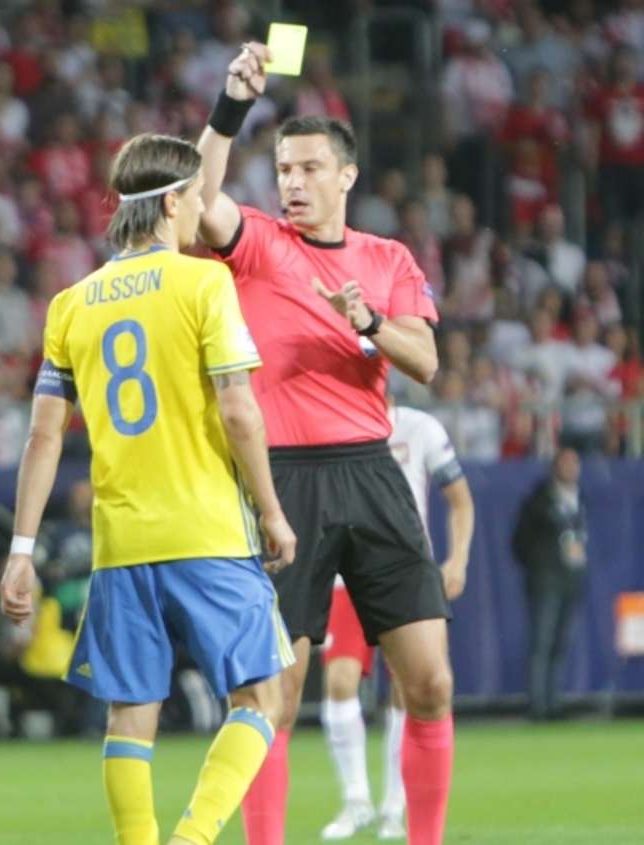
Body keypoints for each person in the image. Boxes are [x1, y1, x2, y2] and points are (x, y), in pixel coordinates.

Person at [0, 132, 298, 845]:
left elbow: (43, 437)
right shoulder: (203, 282)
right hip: (207, 530)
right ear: (170, 201)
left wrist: (21, 548)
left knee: (131, 713)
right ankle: (193, 838)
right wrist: (272, 509)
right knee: (263, 695)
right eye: (196, 197)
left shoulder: (72, 303)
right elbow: (236, 406)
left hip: (121, 542)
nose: (201, 211)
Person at [197, 44, 452, 845]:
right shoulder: (262, 243)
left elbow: (428, 361)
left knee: (432, 683)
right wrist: (231, 106)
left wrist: (368, 322)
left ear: (346, 176)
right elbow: (202, 199)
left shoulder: (388, 259)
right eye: (283, 169)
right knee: (276, 691)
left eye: (309, 168)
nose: (293, 183)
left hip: (373, 473)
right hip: (285, 478)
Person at [318, 398, 475, 841]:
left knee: (413, 691)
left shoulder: (419, 427)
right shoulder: (331, 420)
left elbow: (460, 499)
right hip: (344, 576)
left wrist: (458, 559)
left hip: (405, 572)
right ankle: (356, 800)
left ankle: (394, 805)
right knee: (340, 681)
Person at [512, 448, 588, 721]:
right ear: (555, 467)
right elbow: (519, 541)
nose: (572, 468)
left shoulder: (580, 498)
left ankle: (554, 701)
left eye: (575, 463)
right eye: (566, 463)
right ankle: (538, 704)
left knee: (560, 642)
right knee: (542, 642)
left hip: (571, 578)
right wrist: (539, 566)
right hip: (546, 579)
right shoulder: (539, 500)